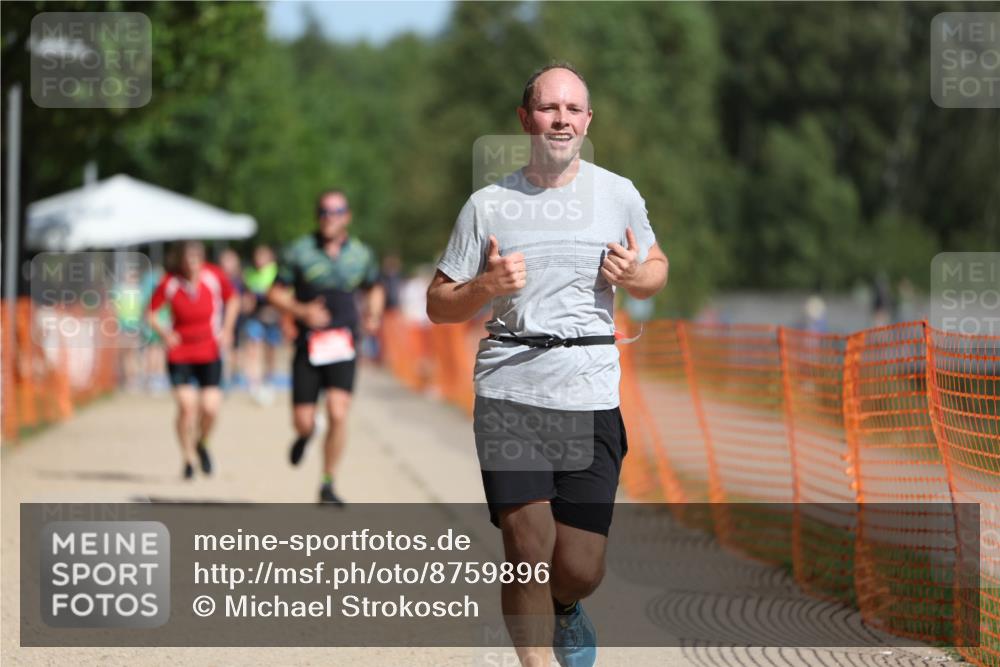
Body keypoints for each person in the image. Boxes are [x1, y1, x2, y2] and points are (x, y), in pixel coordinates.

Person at [426, 63, 668, 667]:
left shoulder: (619, 194)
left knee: (579, 568)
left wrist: (636, 275)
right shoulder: (487, 204)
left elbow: (657, 266)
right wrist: (484, 284)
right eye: (548, 108)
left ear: (587, 121)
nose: (560, 119)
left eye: (572, 109)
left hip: (589, 395)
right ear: (525, 119)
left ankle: (566, 608)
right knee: (527, 547)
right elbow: (437, 303)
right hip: (511, 391)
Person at [267, 189, 384, 505]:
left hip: (344, 344)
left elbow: (375, 289)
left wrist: (373, 315)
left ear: (347, 216)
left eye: (335, 211)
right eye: (323, 211)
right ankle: (305, 435)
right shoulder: (299, 252)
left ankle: (328, 482)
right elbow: (275, 293)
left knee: (338, 411)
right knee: (304, 420)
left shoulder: (360, 254)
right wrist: (302, 311)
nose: (329, 217)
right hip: (309, 345)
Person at [147, 241, 239, 479]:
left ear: (203, 258)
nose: (192, 262)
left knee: (210, 407)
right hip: (181, 353)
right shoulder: (170, 282)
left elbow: (234, 300)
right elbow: (151, 313)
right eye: (188, 258)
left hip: (209, 351)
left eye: (196, 257)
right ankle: (188, 457)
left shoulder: (214, 276)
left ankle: (202, 442)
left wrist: (227, 329)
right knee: (187, 407)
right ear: (181, 259)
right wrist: (166, 333)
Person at [242, 244, 283, 403]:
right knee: (253, 349)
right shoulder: (250, 274)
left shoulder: (277, 273)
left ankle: (269, 379)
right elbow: (246, 297)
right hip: (255, 318)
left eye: (263, 256)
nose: (259, 260)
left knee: (270, 351)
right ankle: (254, 382)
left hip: (273, 319)